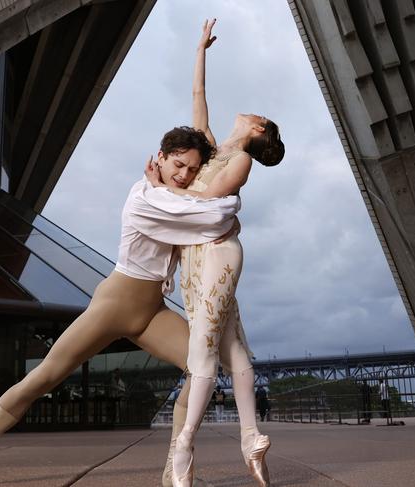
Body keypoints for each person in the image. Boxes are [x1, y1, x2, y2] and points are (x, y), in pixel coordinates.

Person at [0, 126, 244, 487]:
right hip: (115, 304)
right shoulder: (144, 197)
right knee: (43, 378)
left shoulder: (171, 194)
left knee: (202, 369)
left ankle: (172, 470)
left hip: (151, 312)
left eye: (192, 170)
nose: (184, 176)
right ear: (159, 159)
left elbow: (199, 210)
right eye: (178, 165)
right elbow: (212, 217)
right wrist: (228, 203)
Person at [145, 19, 285, 487]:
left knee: (203, 355)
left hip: (218, 254)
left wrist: (159, 189)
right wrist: (200, 49)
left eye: (254, 115)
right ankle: (252, 440)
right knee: (233, 347)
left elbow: (206, 206)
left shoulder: (239, 159)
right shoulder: (210, 147)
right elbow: (197, 96)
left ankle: (183, 447)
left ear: (257, 128)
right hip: (195, 257)